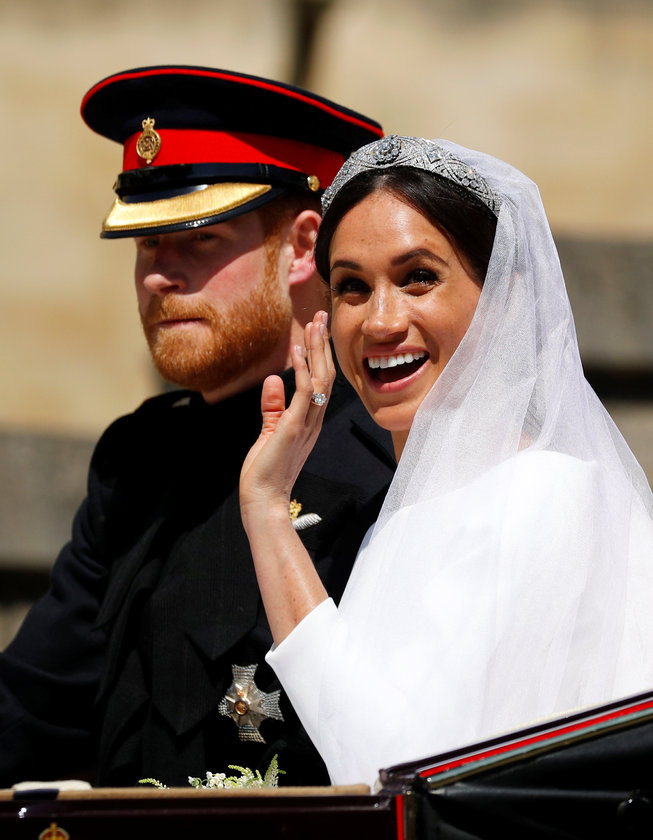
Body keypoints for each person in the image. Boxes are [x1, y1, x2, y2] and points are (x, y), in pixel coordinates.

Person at [0, 67, 395, 788]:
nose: (160, 275)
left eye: (199, 238)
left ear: (302, 246)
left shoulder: (389, 450)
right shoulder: (139, 458)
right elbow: (32, 708)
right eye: (146, 243)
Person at [239, 135, 653, 789]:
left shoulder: (546, 492)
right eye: (351, 287)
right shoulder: (394, 519)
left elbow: (397, 776)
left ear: (505, 294)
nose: (380, 321)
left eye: (418, 278)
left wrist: (267, 513)